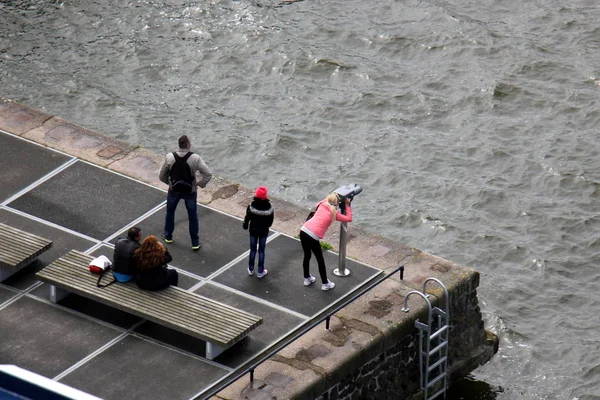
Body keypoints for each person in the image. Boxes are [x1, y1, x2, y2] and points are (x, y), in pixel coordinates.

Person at [159, 135, 212, 250]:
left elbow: (161, 175)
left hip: (174, 190)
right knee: (192, 216)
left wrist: (170, 184)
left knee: (170, 212)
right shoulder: (195, 158)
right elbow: (208, 174)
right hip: (190, 191)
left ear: (179, 144)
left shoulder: (170, 157)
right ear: (188, 145)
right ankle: (195, 242)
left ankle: (168, 235)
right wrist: (200, 184)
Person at [300, 192, 352, 291]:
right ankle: (325, 283)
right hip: (313, 235)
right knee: (320, 260)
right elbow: (349, 218)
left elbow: (323, 201)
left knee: (307, 255)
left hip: (304, 229)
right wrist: (347, 205)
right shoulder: (334, 213)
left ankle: (307, 278)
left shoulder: (321, 204)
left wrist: (332, 196)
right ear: (337, 203)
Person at [243, 186, 274, 278]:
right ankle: (260, 271)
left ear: (256, 194)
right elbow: (270, 221)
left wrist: (245, 224)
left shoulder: (252, 205)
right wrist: (266, 226)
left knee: (252, 250)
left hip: (253, 230)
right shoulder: (269, 207)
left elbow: (247, 216)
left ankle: (251, 268)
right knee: (261, 251)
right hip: (263, 231)